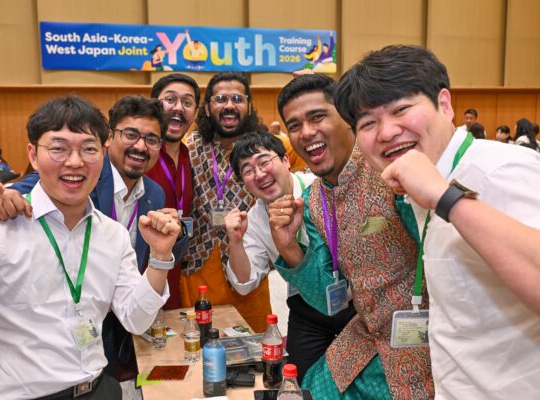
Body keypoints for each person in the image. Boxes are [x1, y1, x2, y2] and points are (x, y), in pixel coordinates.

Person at [0, 95, 181, 399]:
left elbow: (136, 319)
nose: (75, 162)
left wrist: (160, 256)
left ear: (103, 153)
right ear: (33, 154)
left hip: (98, 389)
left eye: (89, 149)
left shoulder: (113, 235)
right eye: (58, 148)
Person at [335, 44, 540, 399]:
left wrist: (445, 198)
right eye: (367, 123)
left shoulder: (497, 169)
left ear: (444, 104)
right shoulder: (425, 182)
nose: (386, 133)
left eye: (401, 109)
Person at [1, 95, 189, 379]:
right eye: (130, 134)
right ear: (109, 139)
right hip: (47, 341)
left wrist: (173, 238)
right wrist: (5, 195)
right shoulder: (82, 175)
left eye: (151, 139)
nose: (140, 146)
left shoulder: (154, 193)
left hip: (116, 322)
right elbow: (35, 184)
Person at [270, 74, 433, 398]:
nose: (306, 132)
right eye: (295, 125)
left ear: (347, 118)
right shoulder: (315, 200)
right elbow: (328, 300)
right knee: (304, 391)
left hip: (422, 349)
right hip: (362, 340)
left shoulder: (391, 174)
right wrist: (290, 249)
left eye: (317, 117)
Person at [226, 131, 341, 384]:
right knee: (297, 381)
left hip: (353, 301)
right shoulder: (255, 219)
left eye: (264, 162)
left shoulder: (321, 187)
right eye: (248, 170)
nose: (259, 174)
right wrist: (235, 242)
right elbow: (244, 284)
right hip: (306, 305)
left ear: (286, 160)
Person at [183, 72, 272, 332]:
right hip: (199, 271)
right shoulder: (189, 146)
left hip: (248, 267)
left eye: (237, 99)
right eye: (221, 99)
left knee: (254, 347)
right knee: (198, 344)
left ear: (249, 106)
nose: (229, 105)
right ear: (207, 107)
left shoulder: (264, 149)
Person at [147, 73, 200, 309]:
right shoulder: (140, 155)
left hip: (175, 269)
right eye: (170, 100)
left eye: (187, 102)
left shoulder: (188, 156)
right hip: (139, 274)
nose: (178, 108)